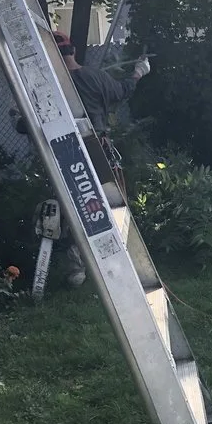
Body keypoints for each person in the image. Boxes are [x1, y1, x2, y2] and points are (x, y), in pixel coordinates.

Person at [53, 31, 149, 287]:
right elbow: (121, 90)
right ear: (73, 51)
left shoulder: (49, 83)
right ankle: (116, 260)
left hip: (64, 152)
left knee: (73, 205)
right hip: (97, 146)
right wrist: (139, 72)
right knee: (105, 203)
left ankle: (76, 269)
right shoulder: (93, 76)